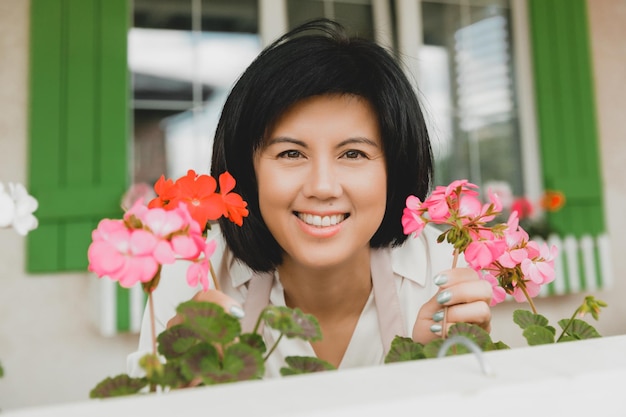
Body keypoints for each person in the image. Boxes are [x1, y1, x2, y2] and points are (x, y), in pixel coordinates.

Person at [127, 18, 492, 377]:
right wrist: (181, 392)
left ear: (394, 172)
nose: (322, 186)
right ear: (246, 172)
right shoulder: (190, 277)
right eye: (290, 154)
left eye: (353, 154)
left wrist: (441, 372)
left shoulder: (445, 272)